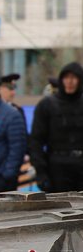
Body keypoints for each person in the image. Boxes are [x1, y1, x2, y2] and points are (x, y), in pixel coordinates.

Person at [29, 62, 83, 193]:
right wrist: (41, 171)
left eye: (74, 77)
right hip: (56, 169)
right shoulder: (47, 105)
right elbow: (36, 140)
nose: (69, 82)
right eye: (66, 77)